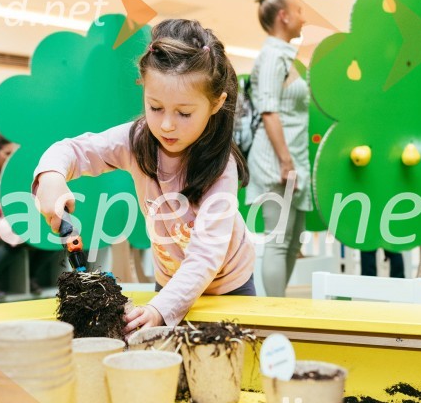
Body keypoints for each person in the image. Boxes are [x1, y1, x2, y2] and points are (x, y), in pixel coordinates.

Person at [33, 19, 256, 334]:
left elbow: (206, 255)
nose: (166, 125)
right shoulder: (135, 141)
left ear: (216, 103)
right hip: (169, 283)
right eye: (155, 107)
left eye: (184, 113)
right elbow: (73, 150)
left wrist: (160, 308)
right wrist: (52, 175)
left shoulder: (221, 169)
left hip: (228, 284)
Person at [245, 0, 312, 297]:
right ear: (283, 16)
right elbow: (269, 109)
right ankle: (277, 315)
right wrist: (286, 161)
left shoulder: (287, 55)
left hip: (293, 156)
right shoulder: (272, 54)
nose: (305, 18)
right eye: (300, 11)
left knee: (294, 239)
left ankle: (279, 309)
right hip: (277, 159)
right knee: (279, 238)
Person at [0, 135, 61, 296]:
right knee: (16, 237)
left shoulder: (10, 176)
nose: (10, 159)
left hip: (6, 222)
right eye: (7, 154)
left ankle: (31, 275)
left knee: (47, 236)